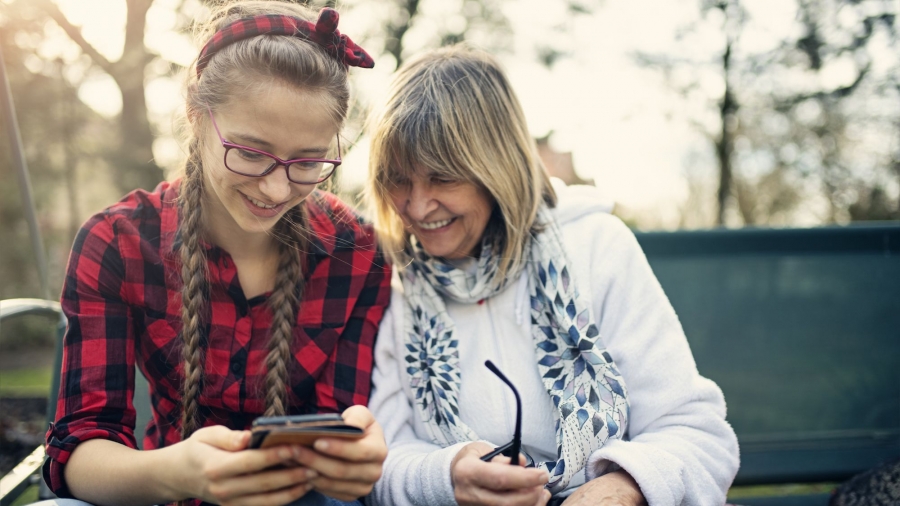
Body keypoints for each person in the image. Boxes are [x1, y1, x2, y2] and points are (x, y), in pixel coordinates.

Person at [42, 2, 391, 505]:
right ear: (196, 117)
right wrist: (176, 474)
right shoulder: (117, 242)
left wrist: (353, 460)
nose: (275, 188)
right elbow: (79, 452)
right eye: (250, 153)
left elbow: (342, 427)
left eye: (309, 162)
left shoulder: (357, 253)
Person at [364, 45, 740, 506]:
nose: (417, 207)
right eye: (398, 179)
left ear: (496, 168)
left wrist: (624, 488)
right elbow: (382, 460)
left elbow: (697, 434)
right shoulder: (394, 280)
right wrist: (448, 478)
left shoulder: (597, 246)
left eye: (443, 178)